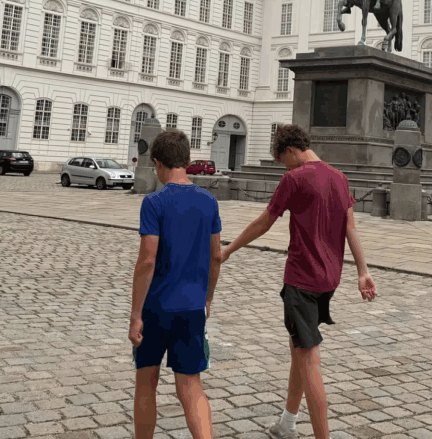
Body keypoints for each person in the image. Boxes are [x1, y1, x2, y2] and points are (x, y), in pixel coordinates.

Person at [221, 124, 376, 439]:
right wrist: (363, 270)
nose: (284, 167)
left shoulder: (294, 179)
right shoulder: (339, 177)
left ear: (290, 150)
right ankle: (287, 424)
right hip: (328, 280)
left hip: (302, 279)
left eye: (282, 160)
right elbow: (351, 228)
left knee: (309, 360)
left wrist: (228, 250)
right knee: (300, 350)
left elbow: (264, 222)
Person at [129, 129, 222, 439]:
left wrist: (135, 314)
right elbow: (216, 257)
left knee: (146, 381)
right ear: (186, 159)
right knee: (191, 385)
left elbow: (147, 260)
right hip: (192, 306)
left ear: (158, 163)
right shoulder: (209, 202)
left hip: (156, 307)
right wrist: (207, 299)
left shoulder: (154, 202)